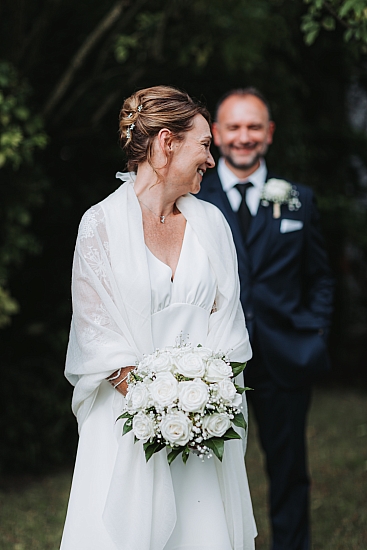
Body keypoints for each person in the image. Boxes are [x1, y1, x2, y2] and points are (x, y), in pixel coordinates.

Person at [60, 85, 257, 550]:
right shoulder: (100, 225)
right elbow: (98, 336)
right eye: (204, 145)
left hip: (203, 432)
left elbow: (228, 324)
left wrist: (201, 407)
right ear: (167, 143)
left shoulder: (211, 224)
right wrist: (162, 408)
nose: (211, 159)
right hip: (126, 426)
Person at [197, 88, 334, 550]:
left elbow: (320, 277)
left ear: (269, 133)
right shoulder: (196, 198)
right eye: (233, 127)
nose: (243, 137)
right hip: (215, 361)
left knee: (290, 469)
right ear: (215, 134)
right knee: (206, 471)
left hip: (285, 353)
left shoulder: (298, 199)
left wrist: (315, 333)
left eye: (253, 126)